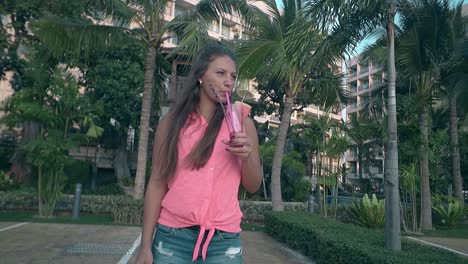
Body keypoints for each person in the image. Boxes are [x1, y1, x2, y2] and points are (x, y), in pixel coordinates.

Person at [135, 44, 263, 264]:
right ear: (201, 77)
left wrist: (246, 156)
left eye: (233, 76)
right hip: (173, 238)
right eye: (220, 73)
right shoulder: (172, 124)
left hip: (223, 241)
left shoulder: (242, 124)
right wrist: (145, 247)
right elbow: (157, 183)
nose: (228, 82)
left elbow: (253, 186)